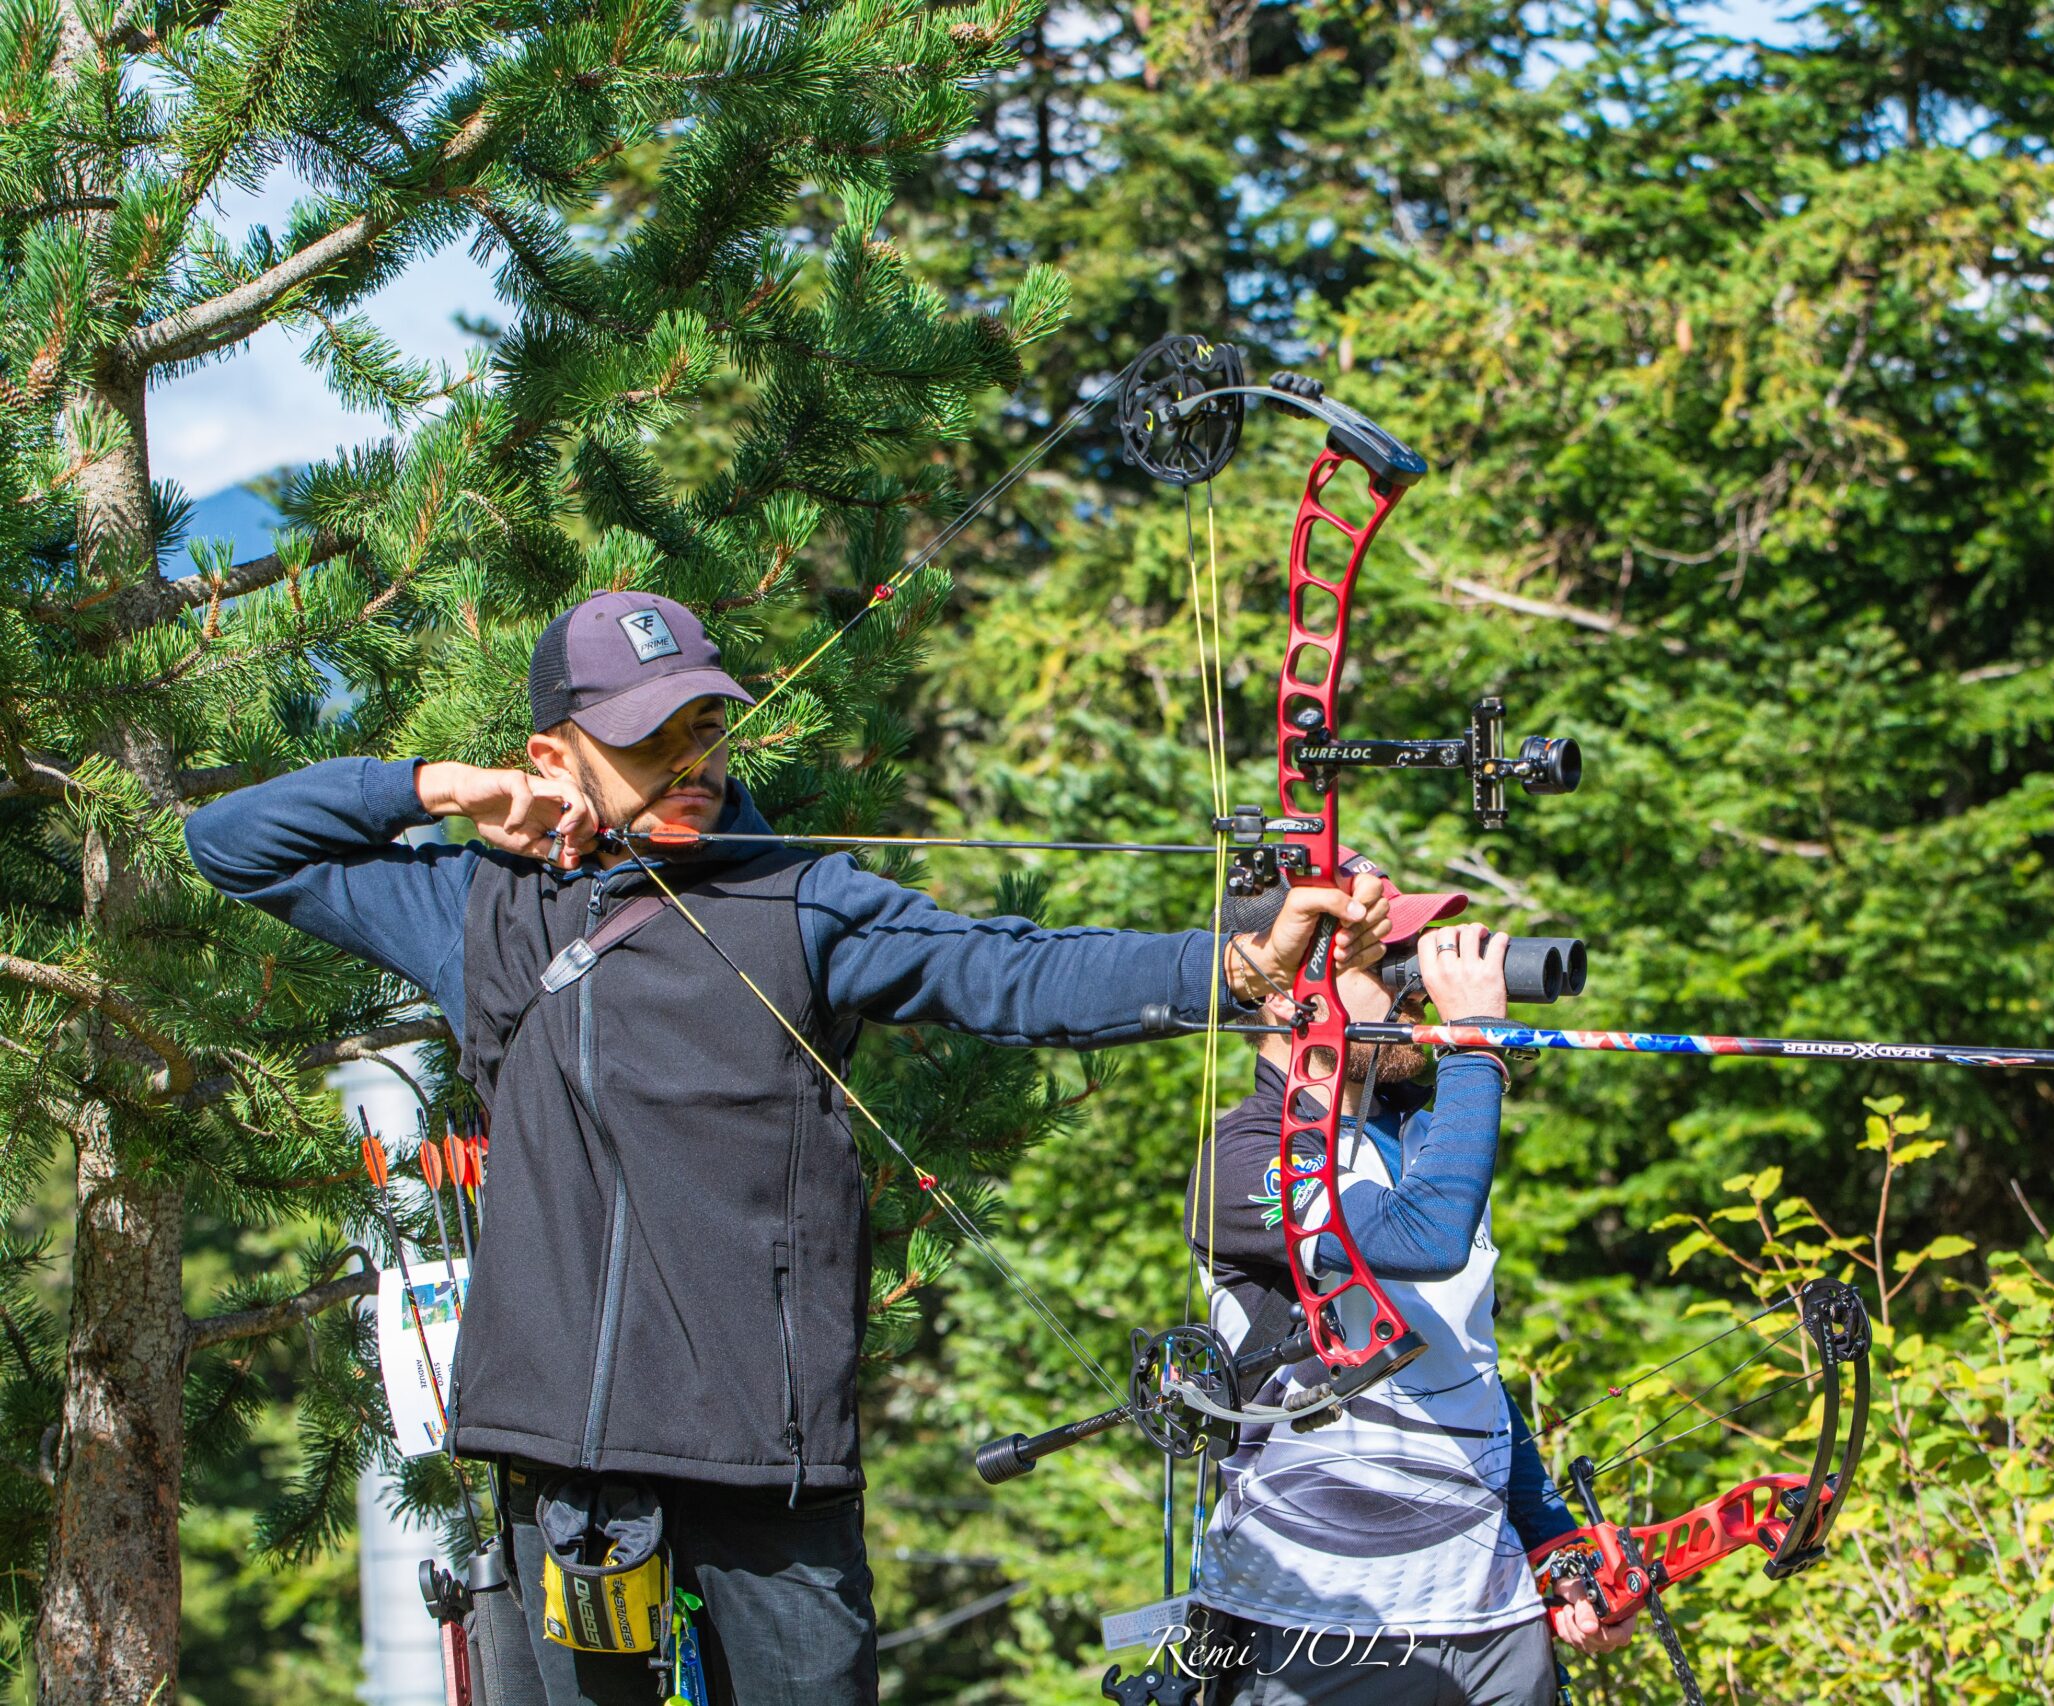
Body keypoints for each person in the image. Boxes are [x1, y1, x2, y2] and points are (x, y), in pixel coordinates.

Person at [183, 589, 1389, 1706]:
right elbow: (232, 842)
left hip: (771, 1457)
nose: (692, 760)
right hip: (570, 1465)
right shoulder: (477, 908)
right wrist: (440, 785)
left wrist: (1232, 964)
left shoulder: (801, 902)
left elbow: (1008, 967)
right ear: (554, 755)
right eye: (652, 737)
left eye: (706, 725)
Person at [1180, 854, 1632, 1706]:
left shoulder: (1422, 1137)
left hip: (1492, 1617)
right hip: (1323, 1620)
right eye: (1388, 962)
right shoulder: (1243, 1158)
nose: (1419, 988)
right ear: (1288, 994)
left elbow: (1467, 1374)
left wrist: (1560, 1554)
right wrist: (1475, 1050)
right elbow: (1426, 1239)